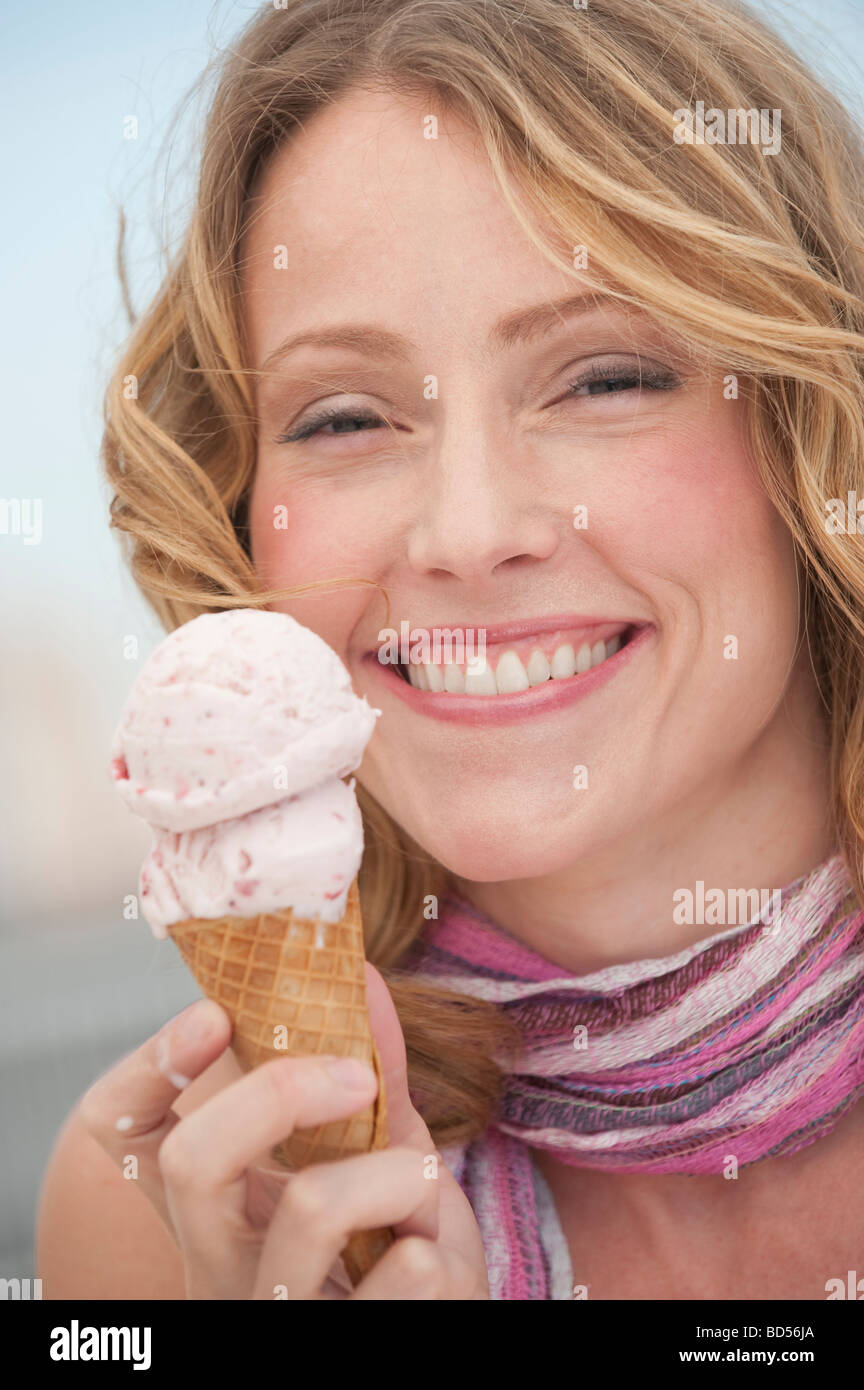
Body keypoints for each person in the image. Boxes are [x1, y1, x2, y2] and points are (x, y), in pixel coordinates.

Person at [37, 0, 864, 1299]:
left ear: (817, 428)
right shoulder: (170, 1202)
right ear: (242, 511)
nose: (470, 534)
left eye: (605, 379)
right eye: (349, 414)